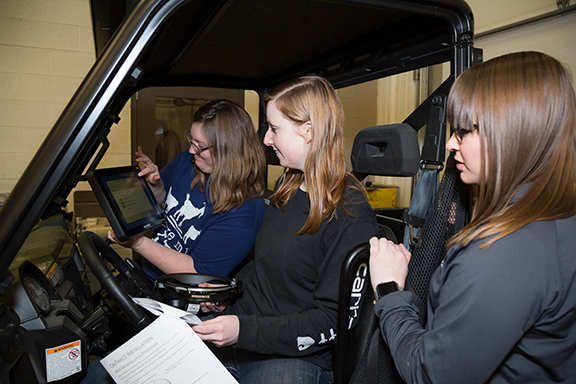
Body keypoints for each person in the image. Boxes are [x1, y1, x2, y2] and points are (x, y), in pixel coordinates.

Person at [369, 51, 576, 383]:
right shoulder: (555, 216)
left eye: (464, 131)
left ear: (513, 134)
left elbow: (429, 374)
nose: (451, 143)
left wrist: (390, 290)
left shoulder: (500, 254)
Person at [192, 75, 380, 384]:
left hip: (290, 357)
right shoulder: (286, 188)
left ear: (308, 131)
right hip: (241, 329)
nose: (265, 139)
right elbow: (268, 268)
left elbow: (332, 320)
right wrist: (228, 292)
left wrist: (245, 331)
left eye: (274, 129)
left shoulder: (350, 214)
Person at [110, 99, 267, 281]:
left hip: (180, 299)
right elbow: (163, 200)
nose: (192, 150)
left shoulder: (245, 211)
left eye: (200, 146)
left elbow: (198, 272)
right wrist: (154, 185)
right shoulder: (189, 161)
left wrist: (138, 242)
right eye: (191, 141)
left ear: (228, 150)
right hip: (149, 277)